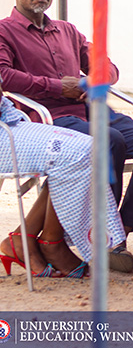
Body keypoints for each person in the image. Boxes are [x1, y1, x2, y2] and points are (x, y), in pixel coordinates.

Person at [0, 0, 133, 271]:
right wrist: (58, 87)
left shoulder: (66, 30)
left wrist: (91, 80)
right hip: (44, 119)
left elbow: (106, 66)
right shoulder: (5, 31)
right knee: (107, 142)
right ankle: (88, 240)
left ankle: (119, 230)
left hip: (88, 111)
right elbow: (4, 76)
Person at [0, 90, 125, 278]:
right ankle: (51, 243)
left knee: (88, 147)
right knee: (75, 155)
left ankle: (27, 238)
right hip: (5, 128)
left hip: (10, 121)